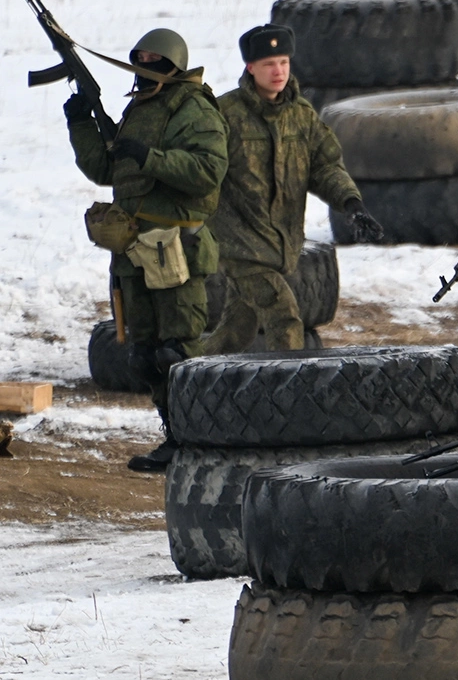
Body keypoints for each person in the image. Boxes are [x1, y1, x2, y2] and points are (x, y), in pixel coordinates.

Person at [66, 28, 228, 472]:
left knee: (178, 352)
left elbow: (208, 172)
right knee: (144, 353)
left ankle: (204, 442)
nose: (145, 65)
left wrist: (151, 157)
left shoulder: (194, 109)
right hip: (135, 253)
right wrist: (80, 122)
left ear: (173, 65)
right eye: (140, 57)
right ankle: (176, 439)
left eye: (155, 59)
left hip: (176, 249)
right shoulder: (139, 108)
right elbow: (106, 169)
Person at [205, 23, 383, 355]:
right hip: (239, 245)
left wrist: (351, 203)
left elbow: (325, 166)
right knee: (283, 316)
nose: (278, 71)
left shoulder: (301, 115)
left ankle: (177, 371)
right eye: (269, 64)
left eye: (284, 62)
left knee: (235, 331)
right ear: (250, 67)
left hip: (280, 245)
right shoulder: (224, 114)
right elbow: (202, 170)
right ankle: (289, 394)